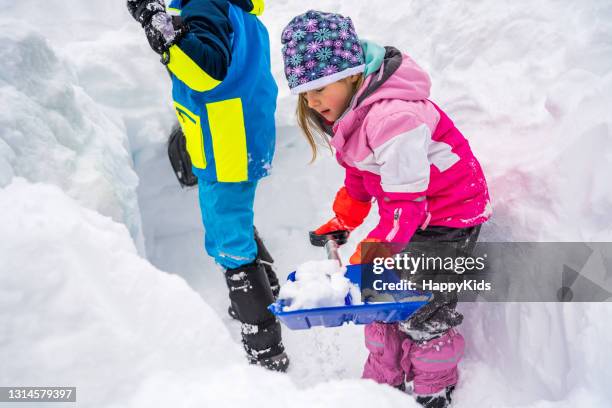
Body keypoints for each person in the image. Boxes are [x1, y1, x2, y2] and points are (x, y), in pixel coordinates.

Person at [280, 10, 491, 406]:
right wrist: (343, 220)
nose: (313, 101)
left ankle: (434, 386)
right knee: (378, 300)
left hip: (448, 216)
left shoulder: (393, 118)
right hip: (414, 213)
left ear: (352, 74)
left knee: (420, 307)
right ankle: (382, 383)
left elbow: (406, 205)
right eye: (305, 93)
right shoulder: (352, 114)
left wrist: (372, 252)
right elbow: (361, 179)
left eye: (320, 87)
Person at [126, 0, 289, 372]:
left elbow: (205, 70)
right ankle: (268, 287)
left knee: (227, 238)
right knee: (234, 216)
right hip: (242, 136)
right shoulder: (237, 12)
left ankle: (265, 346)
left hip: (225, 145)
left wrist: (156, 22)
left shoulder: (205, 2)